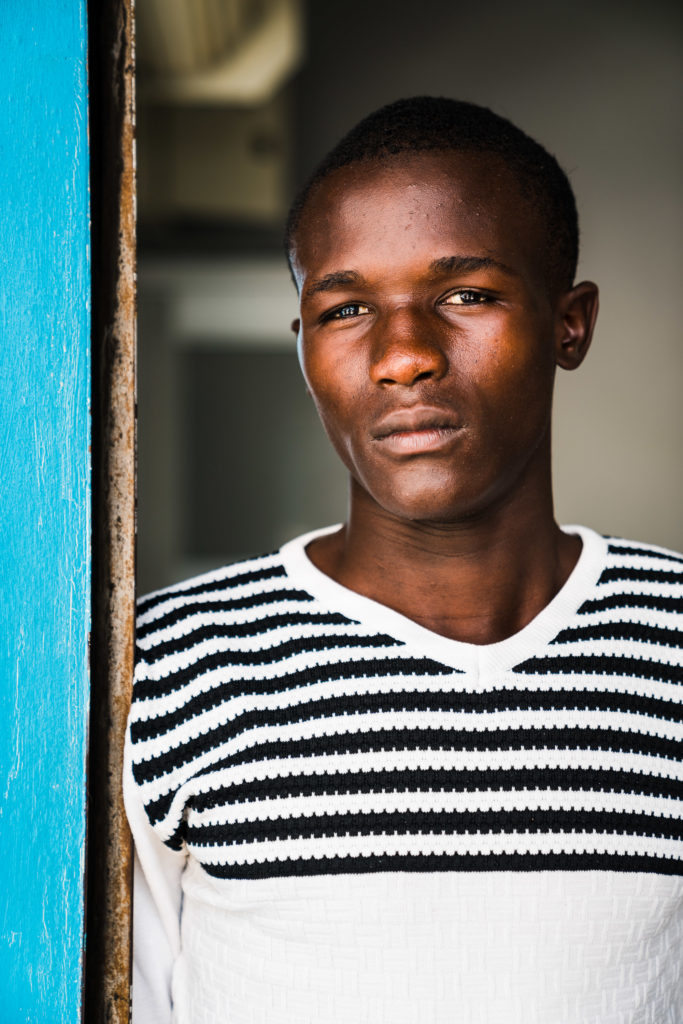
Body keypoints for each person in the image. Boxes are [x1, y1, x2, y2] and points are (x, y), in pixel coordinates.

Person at [124, 97, 683, 1023]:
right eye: (345, 309)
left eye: (464, 296)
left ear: (568, 324)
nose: (403, 356)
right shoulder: (174, 662)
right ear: (304, 349)